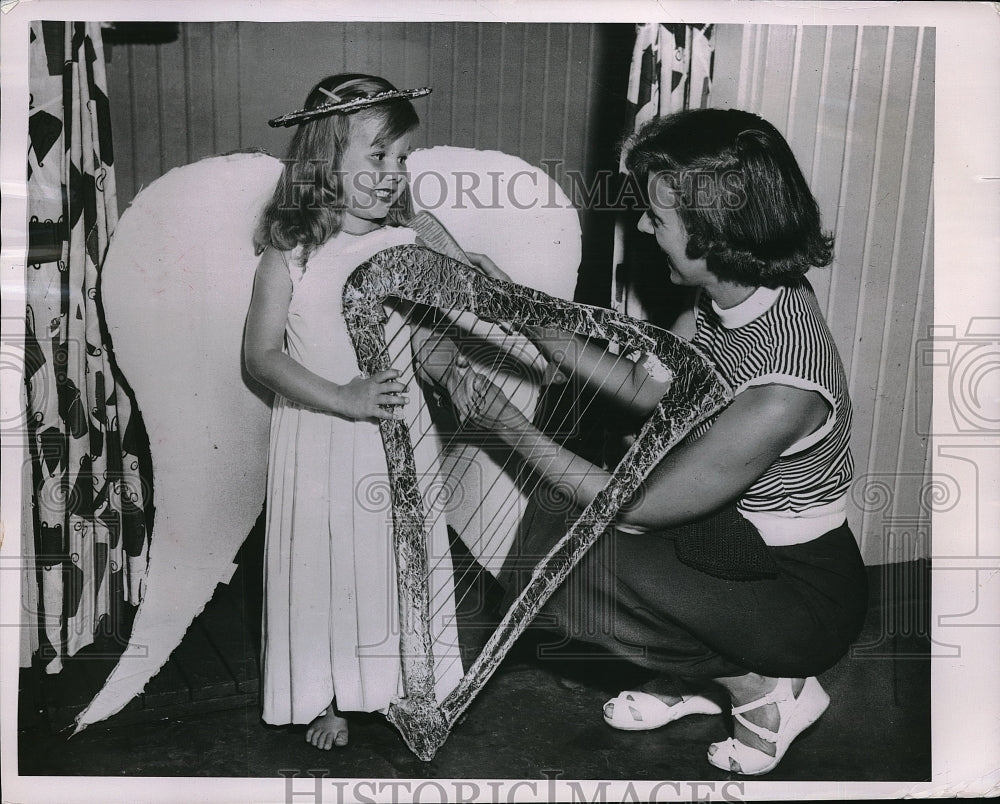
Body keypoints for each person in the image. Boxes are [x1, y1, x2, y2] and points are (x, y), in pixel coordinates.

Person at [452, 108, 869, 776]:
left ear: (714, 230)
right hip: (732, 541)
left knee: (567, 572)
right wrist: (520, 309)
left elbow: (640, 504)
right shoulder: (736, 290)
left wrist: (505, 424)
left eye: (660, 218)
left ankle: (766, 692)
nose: (646, 227)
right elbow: (659, 394)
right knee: (554, 523)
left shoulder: (783, 389)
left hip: (799, 593)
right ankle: (698, 676)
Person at [244, 73, 463, 750]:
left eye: (402, 160)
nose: (394, 174)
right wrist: (342, 398)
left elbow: (427, 338)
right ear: (323, 159)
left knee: (394, 564)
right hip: (321, 434)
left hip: (397, 432)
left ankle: (408, 684)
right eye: (377, 158)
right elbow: (261, 358)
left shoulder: (403, 248)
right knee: (327, 566)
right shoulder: (292, 256)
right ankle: (329, 697)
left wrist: (447, 362)